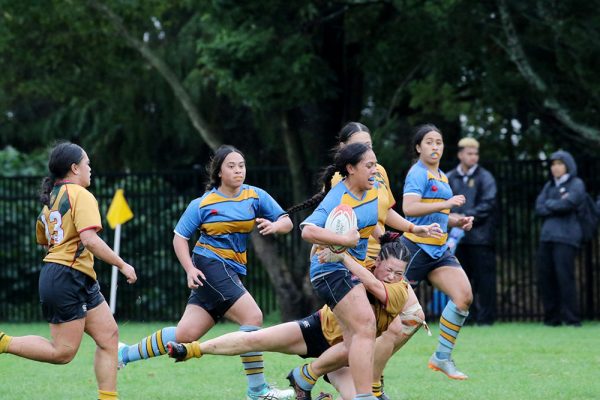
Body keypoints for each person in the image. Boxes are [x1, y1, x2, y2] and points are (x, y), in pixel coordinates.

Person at [117, 145, 295, 400]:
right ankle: (258, 391)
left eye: (241, 165)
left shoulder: (255, 196)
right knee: (252, 317)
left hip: (231, 270)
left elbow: (287, 220)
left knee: (185, 334)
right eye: (231, 166)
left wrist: (275, 225)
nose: (238, 170)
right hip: (209, 265)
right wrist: (189, 269)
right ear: (219, 172)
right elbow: (179, 238)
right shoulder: (203, 203)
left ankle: (123, 354)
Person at [167, 232, 411, 400]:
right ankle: (191, 350)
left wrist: (342, 255)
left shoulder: (400, 290)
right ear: (377, 260)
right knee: (256, 339)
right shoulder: (365, 260)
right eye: (389, 269)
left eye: (399, 273)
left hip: (344, 360)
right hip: (317, 329)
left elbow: (375, 286)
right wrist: (329, 242)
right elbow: (318, 248)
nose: (392, 276)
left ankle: (307, 376)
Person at [0, 142, 137, 400]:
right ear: (75, 168)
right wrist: (122, 264)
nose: (90, 168)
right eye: (87, 163)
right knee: (63, 353)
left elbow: (44, 241)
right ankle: (3, 342)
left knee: (109, 337)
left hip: (74, 276)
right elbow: (90, 240)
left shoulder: (50, 200)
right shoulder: (81, 195)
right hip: (66, 277)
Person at [331, 122, 439, 398]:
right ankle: (358, 383)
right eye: (360, 145)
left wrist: (413, 229)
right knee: (372, 329)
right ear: (345, 149)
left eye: (370, 144)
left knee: (411, 318)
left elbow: (384, 213)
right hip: (357, 264)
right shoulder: (338, 179)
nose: (368, 150)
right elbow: (345, 222)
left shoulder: (378, 172)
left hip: (381, 259)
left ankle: (356, 379)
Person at [286, 142, 380, 400]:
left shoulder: (374, 188)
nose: (375, 170)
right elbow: (307, 230)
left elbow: (378, 219)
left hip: (351, 268)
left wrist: (407, 232)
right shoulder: (338, 197)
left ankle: (304, 377)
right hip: (330, 269)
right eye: (369, 165)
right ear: (350, 168)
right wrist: (344, 241)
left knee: (352, 342)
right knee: (366, 324)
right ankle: (366, 395)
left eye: (375, 164)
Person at [401, 124, 474, 380]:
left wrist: (457, 220)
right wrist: (447, 203)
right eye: (429, 142)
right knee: (392, 314)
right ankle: (359, 367)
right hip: (415, 248)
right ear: (419, 147)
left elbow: (437, 212)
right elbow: (409, 208)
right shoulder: (417, 173)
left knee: (463, 296)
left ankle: (442, 357)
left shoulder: (442, 175)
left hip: (439, 250)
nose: (435, 147)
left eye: (439, 142)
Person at [446, 137, 497, 325]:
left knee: (485, 280)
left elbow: (488, 203)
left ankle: (486, 319)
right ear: (460, 155)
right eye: (469, 153)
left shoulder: (486, 177)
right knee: (462, 280)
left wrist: (464, 217)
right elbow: (442, 202)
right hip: (457, 240)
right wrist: (454, 220)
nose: (473, 157)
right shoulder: (450, 177)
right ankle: (468, 317)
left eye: (476, 154)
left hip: (480, 238)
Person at [534, 150, 584, 327]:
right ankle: (551, 319)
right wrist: (556, 204)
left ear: (568, 165)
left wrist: (551, 204)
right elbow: (539, 207)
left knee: (565, 277)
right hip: (547, 237)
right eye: (553, 164)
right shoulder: (549, 186)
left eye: (560, 163)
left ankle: (572, 319)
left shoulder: (576, 183)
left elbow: (570, 203)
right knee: (546, 278)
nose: (555, 167)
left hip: (566, 237)